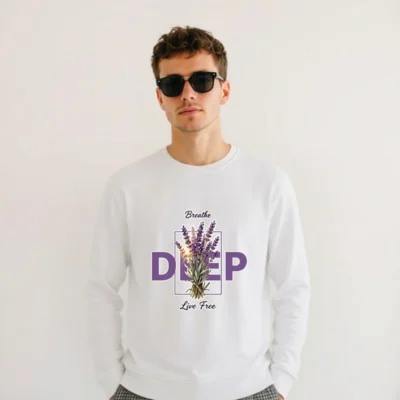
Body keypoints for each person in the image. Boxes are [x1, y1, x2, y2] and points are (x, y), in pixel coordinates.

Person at [85, 25, 311, 400]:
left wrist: (282, 379)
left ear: (224, 90)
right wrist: (111, 380)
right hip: (145, 389)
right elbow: (101, 289)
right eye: (173, 84)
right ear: (160, 97)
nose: (188, 93)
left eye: (202, 80)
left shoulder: (267, 183)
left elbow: (293, 286)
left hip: (249, 388)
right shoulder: (128, 187)